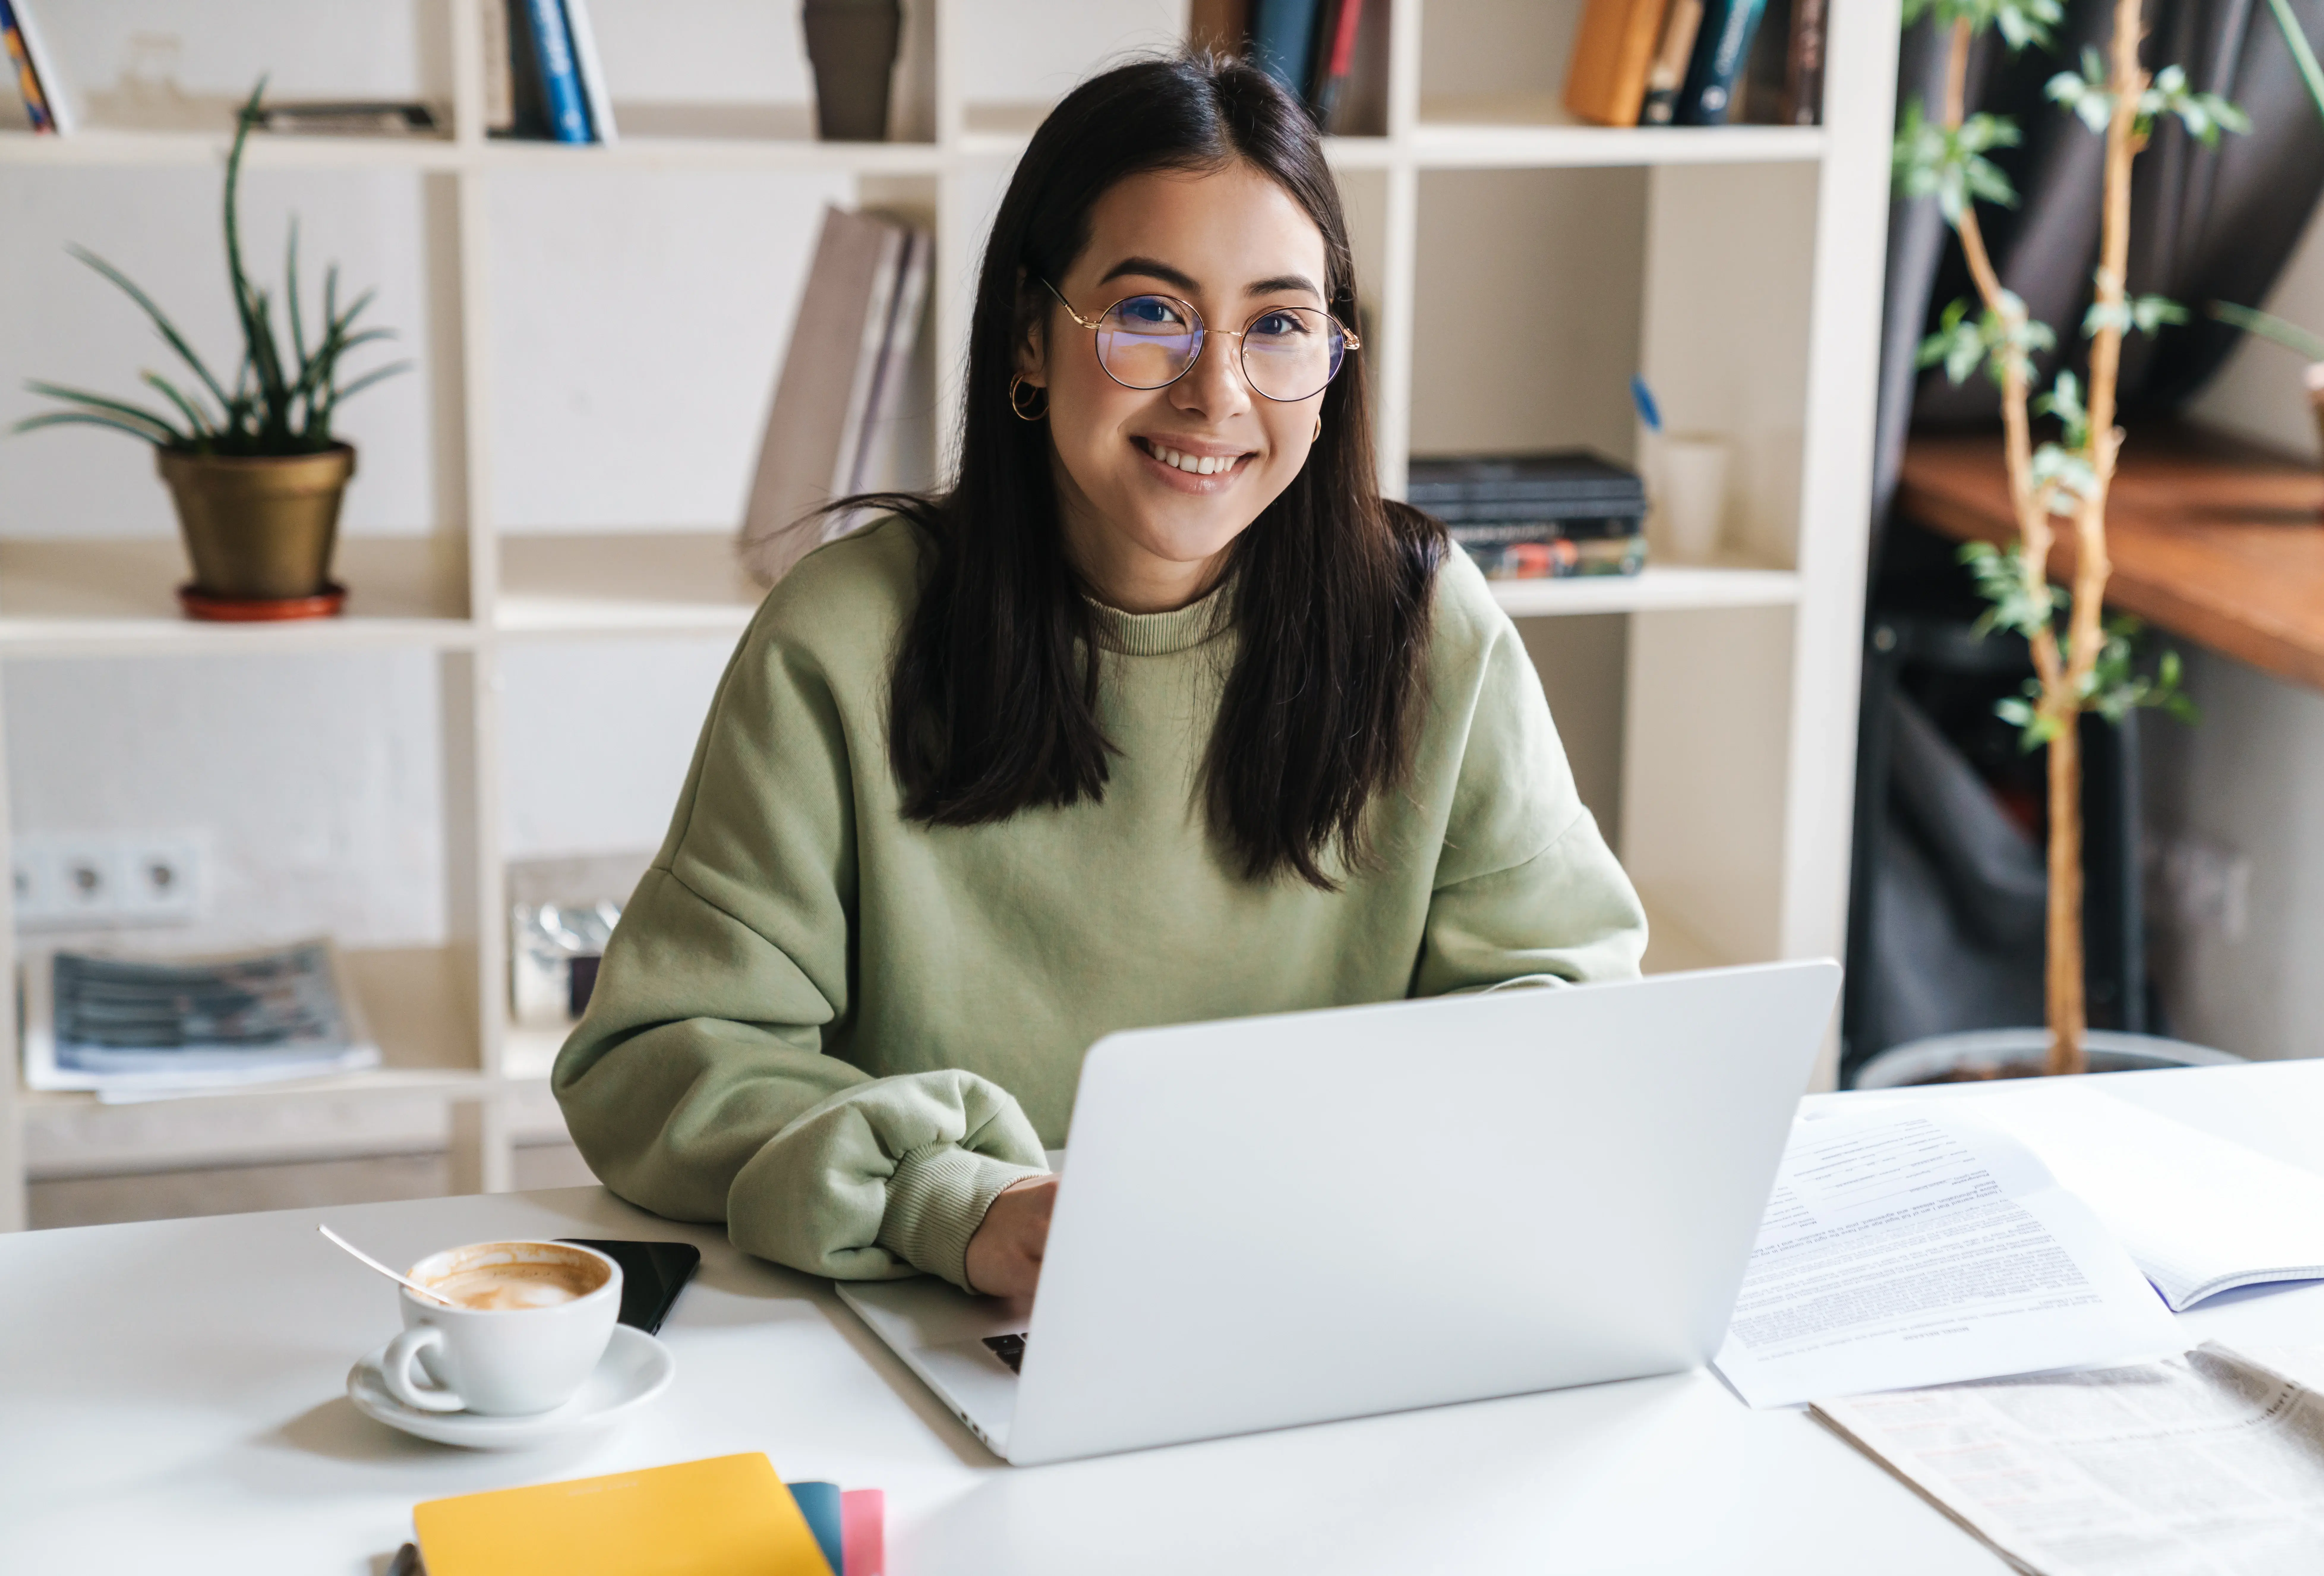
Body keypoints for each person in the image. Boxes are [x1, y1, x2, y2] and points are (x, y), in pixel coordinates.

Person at [553, 52, 1646, 1301]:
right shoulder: (846, 640)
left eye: (1279, 325)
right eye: (1148, 314)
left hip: (1333, 1292)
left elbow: (1564, 1006)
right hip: (947, 1317)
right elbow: (660, 1060)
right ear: (1030, 338)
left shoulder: (1425, 626)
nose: (1215, 393)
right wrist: (954, 1202)